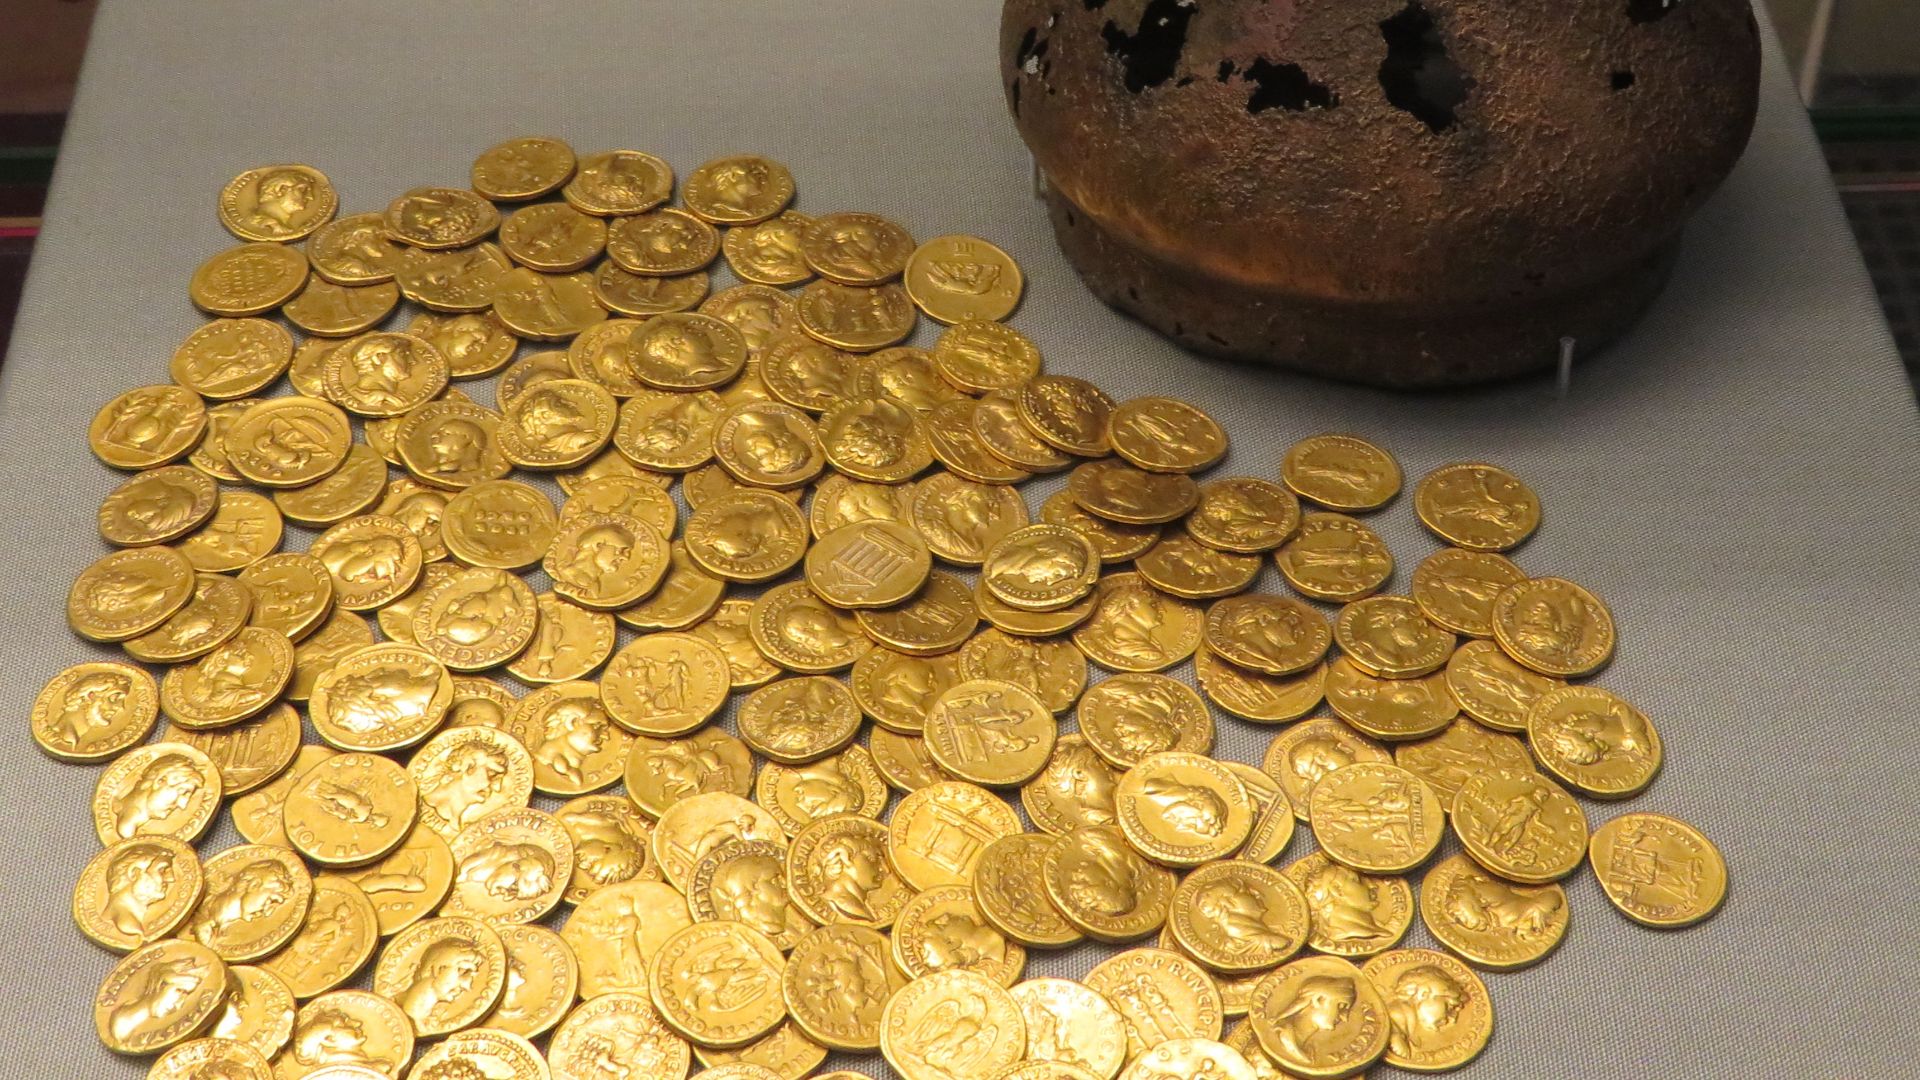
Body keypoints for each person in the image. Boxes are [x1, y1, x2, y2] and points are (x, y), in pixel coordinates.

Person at [100, 842, 178, 939]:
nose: (171, 879)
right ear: (134, 873)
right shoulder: (130, 927)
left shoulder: (133, 922)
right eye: (162, 871)